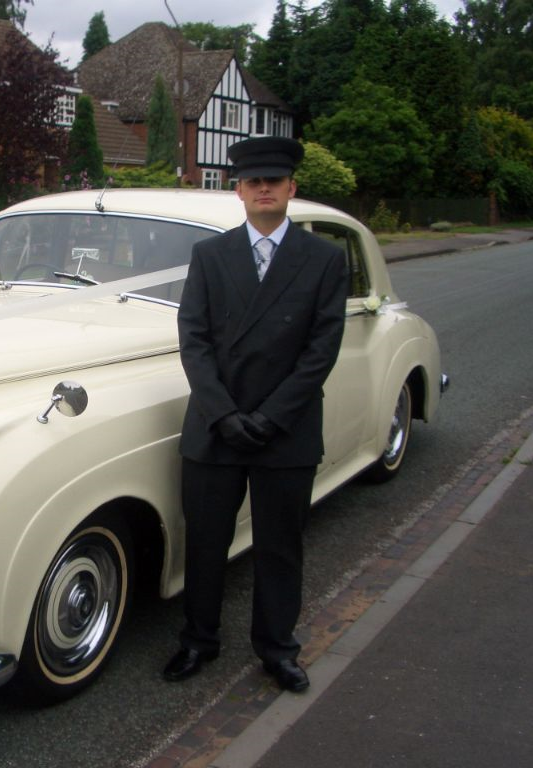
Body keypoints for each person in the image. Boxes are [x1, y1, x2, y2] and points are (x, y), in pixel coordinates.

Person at [163, 137, 348, 692]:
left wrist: (269, 418)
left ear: (292, 188)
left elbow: (321, 350)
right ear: (238, 191)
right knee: (205, 543)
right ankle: (198, 640)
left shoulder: (324, 259)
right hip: (215, 427)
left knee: (279, 547)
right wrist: (224, 415)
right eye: (253, 182)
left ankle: (277, 649)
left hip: (285, 429)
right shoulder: (210, 255)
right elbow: (194, 340)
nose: (263, 188)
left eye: (274, 180)